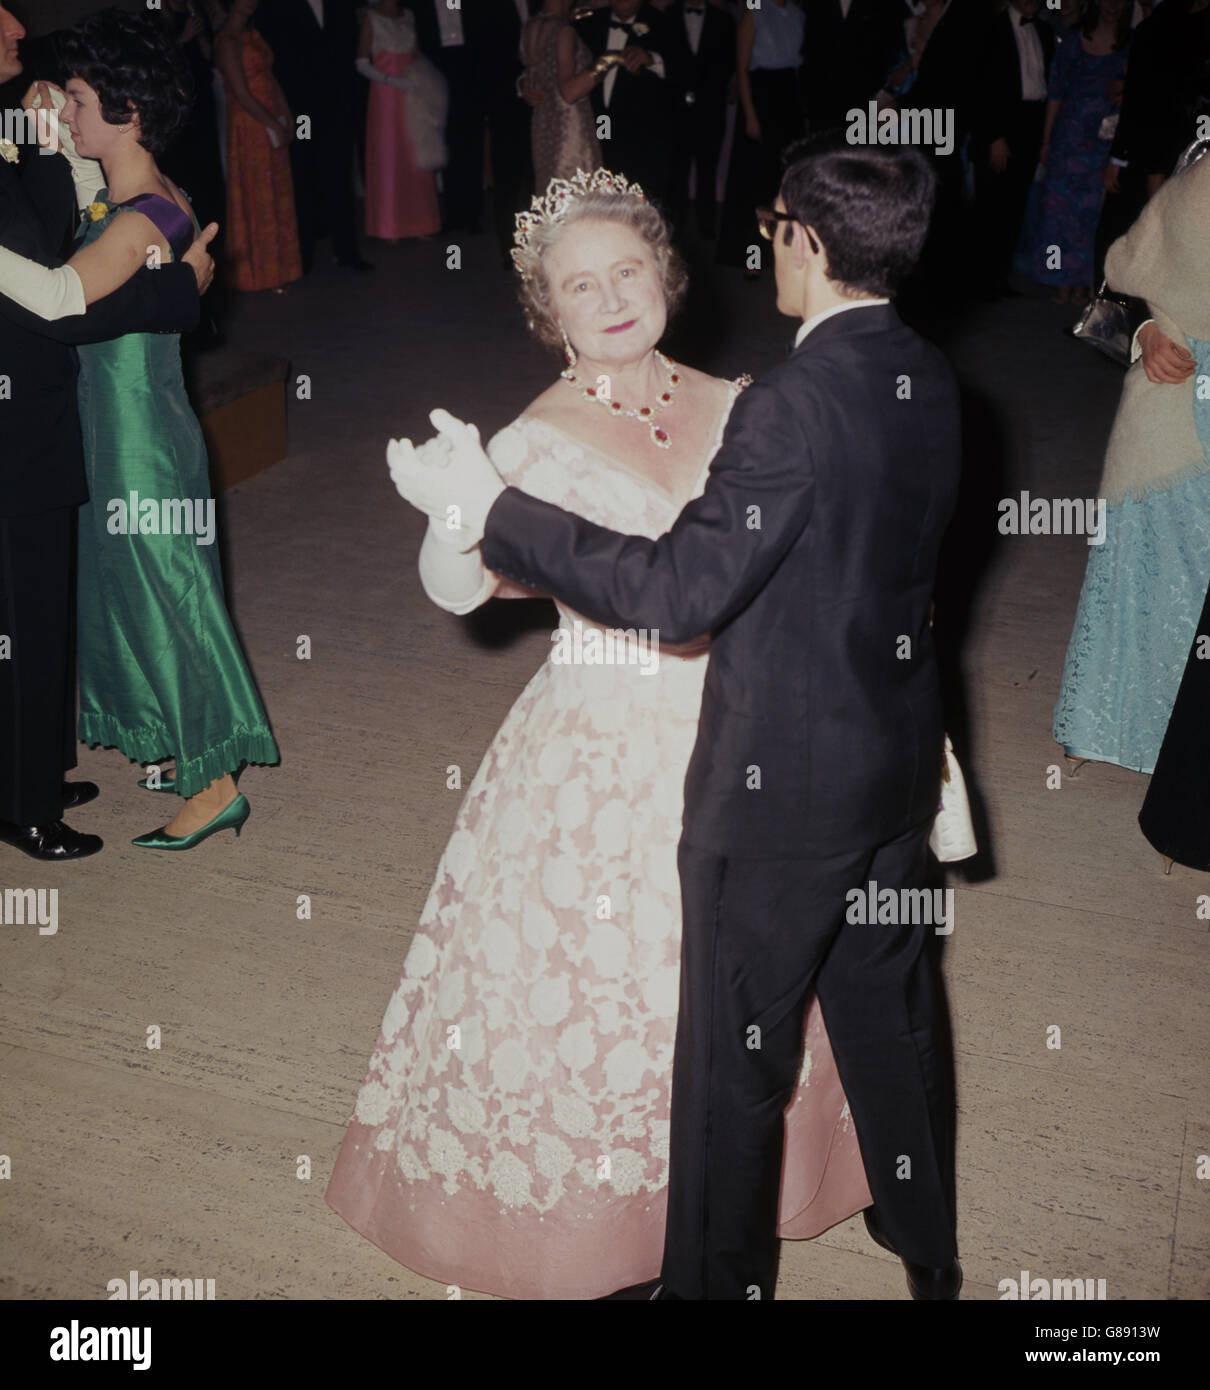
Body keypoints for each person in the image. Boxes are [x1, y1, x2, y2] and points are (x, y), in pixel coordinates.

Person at [387, 135, 964, 1301]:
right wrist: (466, 519)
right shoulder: (534, 435)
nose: (608, 299)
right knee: (631, 1004)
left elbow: (707, 582)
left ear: (671, 275)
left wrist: (495, 513)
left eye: (626, 273)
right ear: (544, 311)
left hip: (761, 757)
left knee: (733, 1044)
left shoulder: (757, 402)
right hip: (616, 749)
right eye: (577, 285)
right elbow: (455, 583)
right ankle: (888, 1248)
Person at [0, 7, 279, 850]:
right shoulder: (123, 196)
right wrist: (43, 106)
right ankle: (170, 746)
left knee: (170, 596)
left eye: (78, 101)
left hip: (136, 440)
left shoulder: (141, 219)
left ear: (124, 114)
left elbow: (58, 298)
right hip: (112, 429)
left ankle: (215, 779)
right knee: (133, 593)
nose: (63, 114)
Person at [1053, 144, 1210, 776]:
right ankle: (1113, 725)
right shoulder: (1197, 158)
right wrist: (1144, 332)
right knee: (1145, 566)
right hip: (1170, 404)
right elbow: (1122, 266)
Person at [254, 0, 370, 271]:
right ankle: (302, 256)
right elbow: (276, 60)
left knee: (339, 176)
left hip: (336, 107)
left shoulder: (340, 6)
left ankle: (347, 252)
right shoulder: (278, 8)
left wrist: (349, 104)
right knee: (303, 176)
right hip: (301, 108)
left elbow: (348, 53)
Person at [1034, 0, 1130, 304]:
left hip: (1103, 143)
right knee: (1058, 213)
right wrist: (1046, 141)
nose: (1112, 7)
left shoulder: (1130, 44)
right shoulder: (1074, 41)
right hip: (1068, 140)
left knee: (1091, 216)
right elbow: (1055, 93)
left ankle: (1085, 283)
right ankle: (1059, 280)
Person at [214, 0, 303, 292]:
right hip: (250, 125)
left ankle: (282, 268)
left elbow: (271, 77)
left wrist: (287, 115)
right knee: (257, 194)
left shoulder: (254, 35)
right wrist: (271, 123)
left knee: (277, 192)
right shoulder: (226, 40)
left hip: (270, 115)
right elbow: (240, 93)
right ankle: (260, 273)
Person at [971, 0, 1056, 299]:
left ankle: (998, 277)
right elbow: (979, 87)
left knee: (1014, 207)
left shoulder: (1044, 31)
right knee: (990, 207)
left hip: (1031, 126)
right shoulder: (989, 29)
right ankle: (980, 280)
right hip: (1000, 129)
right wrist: (994, 136)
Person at [715, 0, 803, 271]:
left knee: (781, 184)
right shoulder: (753, 10)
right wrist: (751, 116)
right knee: (753, 185)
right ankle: (751, 258)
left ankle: (781, 258)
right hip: (760, 99)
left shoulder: (798, 13)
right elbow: (741, 70)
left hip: (789, 99)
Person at [572, 0, 674, 201]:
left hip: (642, 131)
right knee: (601, 176)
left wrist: (651, 59)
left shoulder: (664, 23)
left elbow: (684, 71)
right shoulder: (589, 22)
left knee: (639, 195)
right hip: (602, 120)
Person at [356, 0, 440, 241]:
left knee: (415, 155)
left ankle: (420, 222)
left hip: (412, 93)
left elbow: (416, 53)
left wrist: (421, 79)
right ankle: (390, 224)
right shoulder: (371, 19)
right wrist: (392, 81)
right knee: (390, 157)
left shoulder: (410, 15)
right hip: (385, 97)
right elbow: (361, 63)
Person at [662, 0, 734, 240]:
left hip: (710, 109)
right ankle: (675, 228)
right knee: (676, 172)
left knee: (707, 172)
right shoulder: (668, 15)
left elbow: (728, 63)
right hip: (674, 108)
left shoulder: (723, 19)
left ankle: (707, 227)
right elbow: (664, 58)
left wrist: (704, 91)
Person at [521, 0, 602, 192]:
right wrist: (605, 64)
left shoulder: (530, 26)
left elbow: (530, 75)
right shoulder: (564, 30)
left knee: (550, 188)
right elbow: (568, 92)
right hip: (571, 124)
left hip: (542, 123)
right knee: (577, 190)